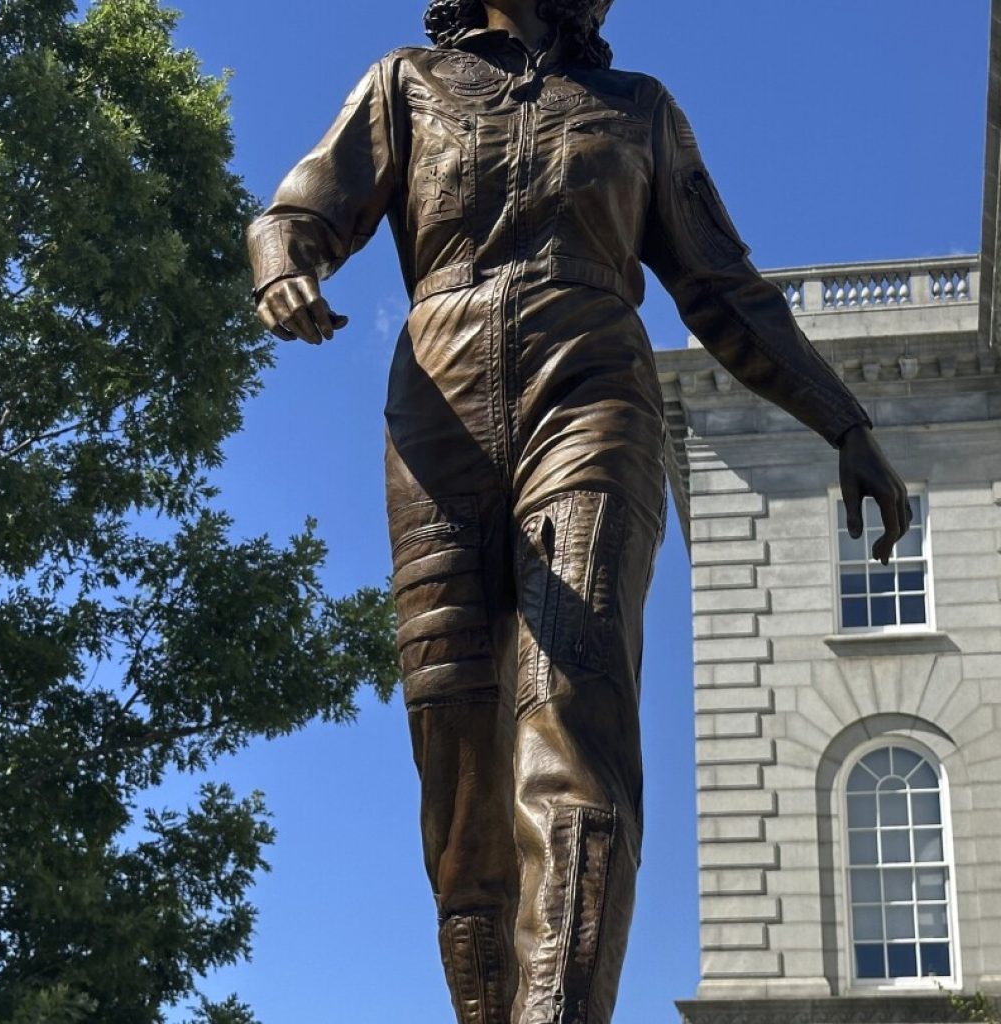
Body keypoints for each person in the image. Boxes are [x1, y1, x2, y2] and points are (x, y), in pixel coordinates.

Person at [247, 1, 911, 1020]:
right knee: (459, 774)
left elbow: (724, 287)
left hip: (591, 389)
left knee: (569, 710)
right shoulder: (406, 84)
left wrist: (843, 421)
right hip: (438, 417)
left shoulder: (636, 110)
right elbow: (300, 209)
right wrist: (285, 264)